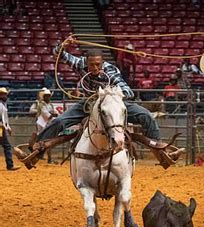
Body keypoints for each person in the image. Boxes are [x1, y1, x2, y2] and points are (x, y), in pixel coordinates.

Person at [14, 35, 184, 170]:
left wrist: (111, 95)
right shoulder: (79, 64)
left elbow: (128, 91)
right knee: (59, 121)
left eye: (98, 65)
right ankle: (36, 151)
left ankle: (160, 152)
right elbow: (57, 53)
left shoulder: (111, 70)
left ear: (102, 63)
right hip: (88, 103)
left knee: (145, 115)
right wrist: (64, 45)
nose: (95, 68)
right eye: (92, 65)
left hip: (112, 104)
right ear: (86, 63)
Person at [29, 88, 58, 164]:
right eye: (46, 96)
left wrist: (52, 114)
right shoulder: (40, 104)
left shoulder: (49, 104)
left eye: (49, 96)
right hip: (41, 123)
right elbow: (46, 114)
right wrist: (52, 114)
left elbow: (55, 113)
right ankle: (35, 154)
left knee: (46, 140)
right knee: (43, 139)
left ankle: (42, 156)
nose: (48, 97)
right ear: (44, 96)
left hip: (47, 123)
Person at [0, 87, 20, 171]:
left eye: (5, 94)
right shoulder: (1, 104)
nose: (5, 96)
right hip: (0, 128)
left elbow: (5, 118)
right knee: (7, 146)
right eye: (4, 94)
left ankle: (10, 165)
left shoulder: (3, 104)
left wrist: (8, 127)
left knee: (6, 145)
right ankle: (10, 165)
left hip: (2, 128)